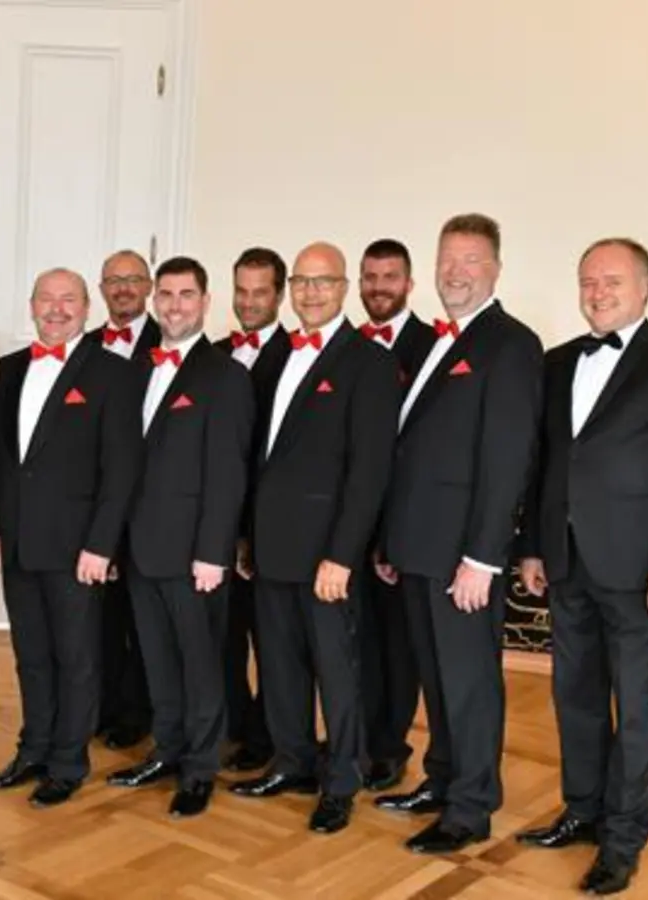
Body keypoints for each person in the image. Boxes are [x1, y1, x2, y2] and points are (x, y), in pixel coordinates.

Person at [511, 237, 648, 894]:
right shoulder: (556, 362)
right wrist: (534, 545)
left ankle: (624, 840)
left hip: (640, 570)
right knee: (573, 695)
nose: (597, 292)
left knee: (637, 709)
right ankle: (583, 811)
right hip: (567, 561)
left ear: (645, 288)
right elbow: (545, 464)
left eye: (612, 281)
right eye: (588, 281)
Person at [374, 213, 543, 854]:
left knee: (469, 683)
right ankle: (442, 779)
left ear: (496, 268)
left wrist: (483, 557)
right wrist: (392, 540)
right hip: (419, 547)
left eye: (470, 260)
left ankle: (471, 808)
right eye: (447, 258)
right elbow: (411, 451)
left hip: (462, 556)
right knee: (437, 676)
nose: (455, 271)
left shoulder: (510, 344)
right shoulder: (441, 343)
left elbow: (507, 460)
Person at [229, 242, 400, 835]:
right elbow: (258, 457)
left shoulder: (369, 362)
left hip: (327, 553)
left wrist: (342, 554)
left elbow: (369, 471)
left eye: (323, 282)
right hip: (271, 548)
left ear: (344, 288)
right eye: (302, 281)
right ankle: (292, 761)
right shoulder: (275, 356)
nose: (310, 292)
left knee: (338, 672)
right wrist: (247, 538)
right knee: (279, 666)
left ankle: (343, 779)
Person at [0, 267, 142, 808]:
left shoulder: (114, 373)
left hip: (78, 549)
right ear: (32, 306)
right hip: (18, 542)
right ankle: (33, 750)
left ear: (86, 308)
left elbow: (121, 469)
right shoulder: (10, 367)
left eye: (68, 299)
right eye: (46, 298)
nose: (56, 309)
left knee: (77, 658)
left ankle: (68, 762)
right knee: (32, 655)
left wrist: (102, 544)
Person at [106, 256, 253, 818]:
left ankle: (199, 768)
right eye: (165, 295)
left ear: (205, 302)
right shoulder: (137, 369)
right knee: (157, 660)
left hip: (194, 553)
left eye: (185, 295)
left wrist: (213, 552)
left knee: (200, 664)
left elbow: (227, 474)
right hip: (141, 548)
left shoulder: (225, 376)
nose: (173, 305)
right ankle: (166, 750)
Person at [353, 238, 434, 791]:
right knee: (352, 641)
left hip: (398, 524)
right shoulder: (347, 345)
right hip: (346, 525)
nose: (379, 287)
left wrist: (389, 532)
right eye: (370, 277)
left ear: (409, 283)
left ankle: (389, 746)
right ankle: (353, 736)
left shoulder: (432, 346)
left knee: (396, 645)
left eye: (389, 277)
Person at [212, 247, 288, 773]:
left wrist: (252, 532)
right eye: (242, 291)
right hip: (214, 524)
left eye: (260, 292)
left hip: (268, 526)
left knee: (272, 641)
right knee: (222, 635)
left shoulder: (296, 355)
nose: (249, 302)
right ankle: (231, 725)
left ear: (278, 295)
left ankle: (268, 737)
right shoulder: (214, 354)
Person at [93, 249, 161, 748]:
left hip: (147, 505)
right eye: (114, 280)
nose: (123, 288)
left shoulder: (170, 342)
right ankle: (100, 707)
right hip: (92, 506)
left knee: (142, 619)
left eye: (133, 279)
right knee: (99, 618)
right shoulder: (82, 345)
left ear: (149, 287)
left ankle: (139, 713)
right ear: (101, 290)